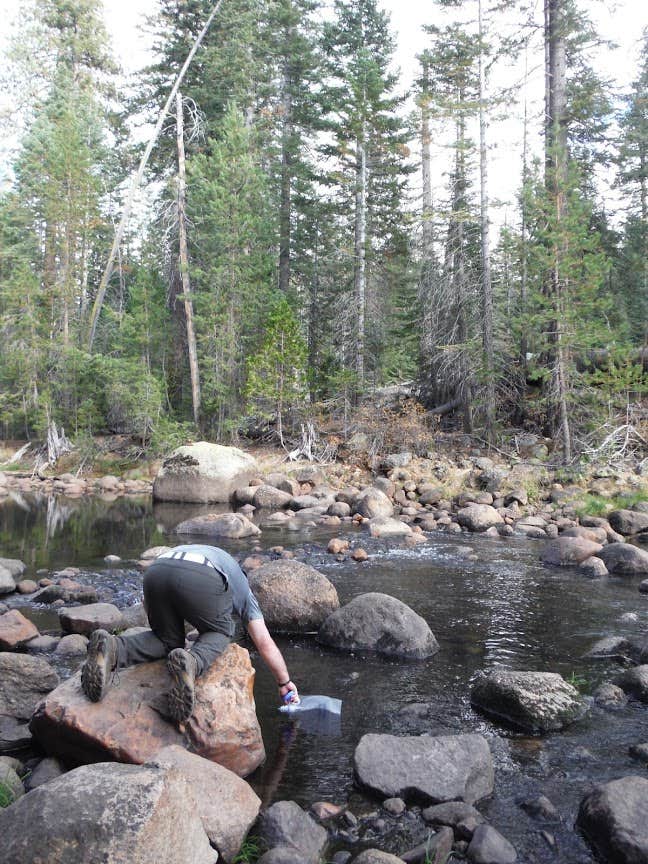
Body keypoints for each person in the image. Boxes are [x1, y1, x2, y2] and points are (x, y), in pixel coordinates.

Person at [80, 544, 299, 724]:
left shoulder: (210, 552)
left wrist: (162, 625)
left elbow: (151, 609)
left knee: (166, 640)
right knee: (221, 630)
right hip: (200, 575)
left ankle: (114, 648)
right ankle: (192, 662)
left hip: (156, 571)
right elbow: (263, 641)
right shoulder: (242, 587)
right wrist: (283, 682)